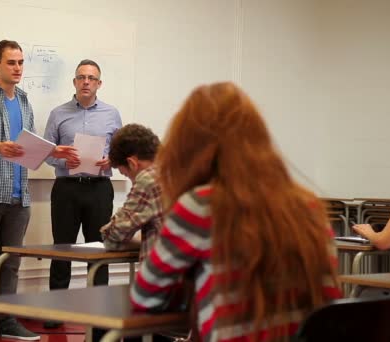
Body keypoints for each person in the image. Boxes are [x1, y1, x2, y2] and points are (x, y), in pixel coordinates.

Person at [130, 82, 342, 342]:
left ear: (189, 148)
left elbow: (144, 297)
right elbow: (330, 302)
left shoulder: (200, 206)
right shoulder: (310, 207)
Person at [0, 39, 77, 341]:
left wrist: (55, 152)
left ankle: (7, 320)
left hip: (18, 194)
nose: (18, 68)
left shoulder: (23, 100)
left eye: (21, 62)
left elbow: (29, 147)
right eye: (12, 62)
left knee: (10, 263)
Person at [42, 59, 122, 328]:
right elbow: (46, 152)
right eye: (81, 77)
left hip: (99, 189)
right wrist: (65, 161)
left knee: (98, 250)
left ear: (99, 84)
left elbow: (121, 152)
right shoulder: (58, 114)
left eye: (91, 78)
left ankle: (98, 312)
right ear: (74, 82)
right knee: (62, 249)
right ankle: (56, 312)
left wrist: (111, 160)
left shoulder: (112, 114)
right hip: (66, 189)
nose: (86, 81)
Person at [100, 123, 163, 260]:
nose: (132, 181)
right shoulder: (179, 171)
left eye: (126, 175)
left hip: (163, 273)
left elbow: (112, 238)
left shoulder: (148, 179)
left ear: (132, 163)